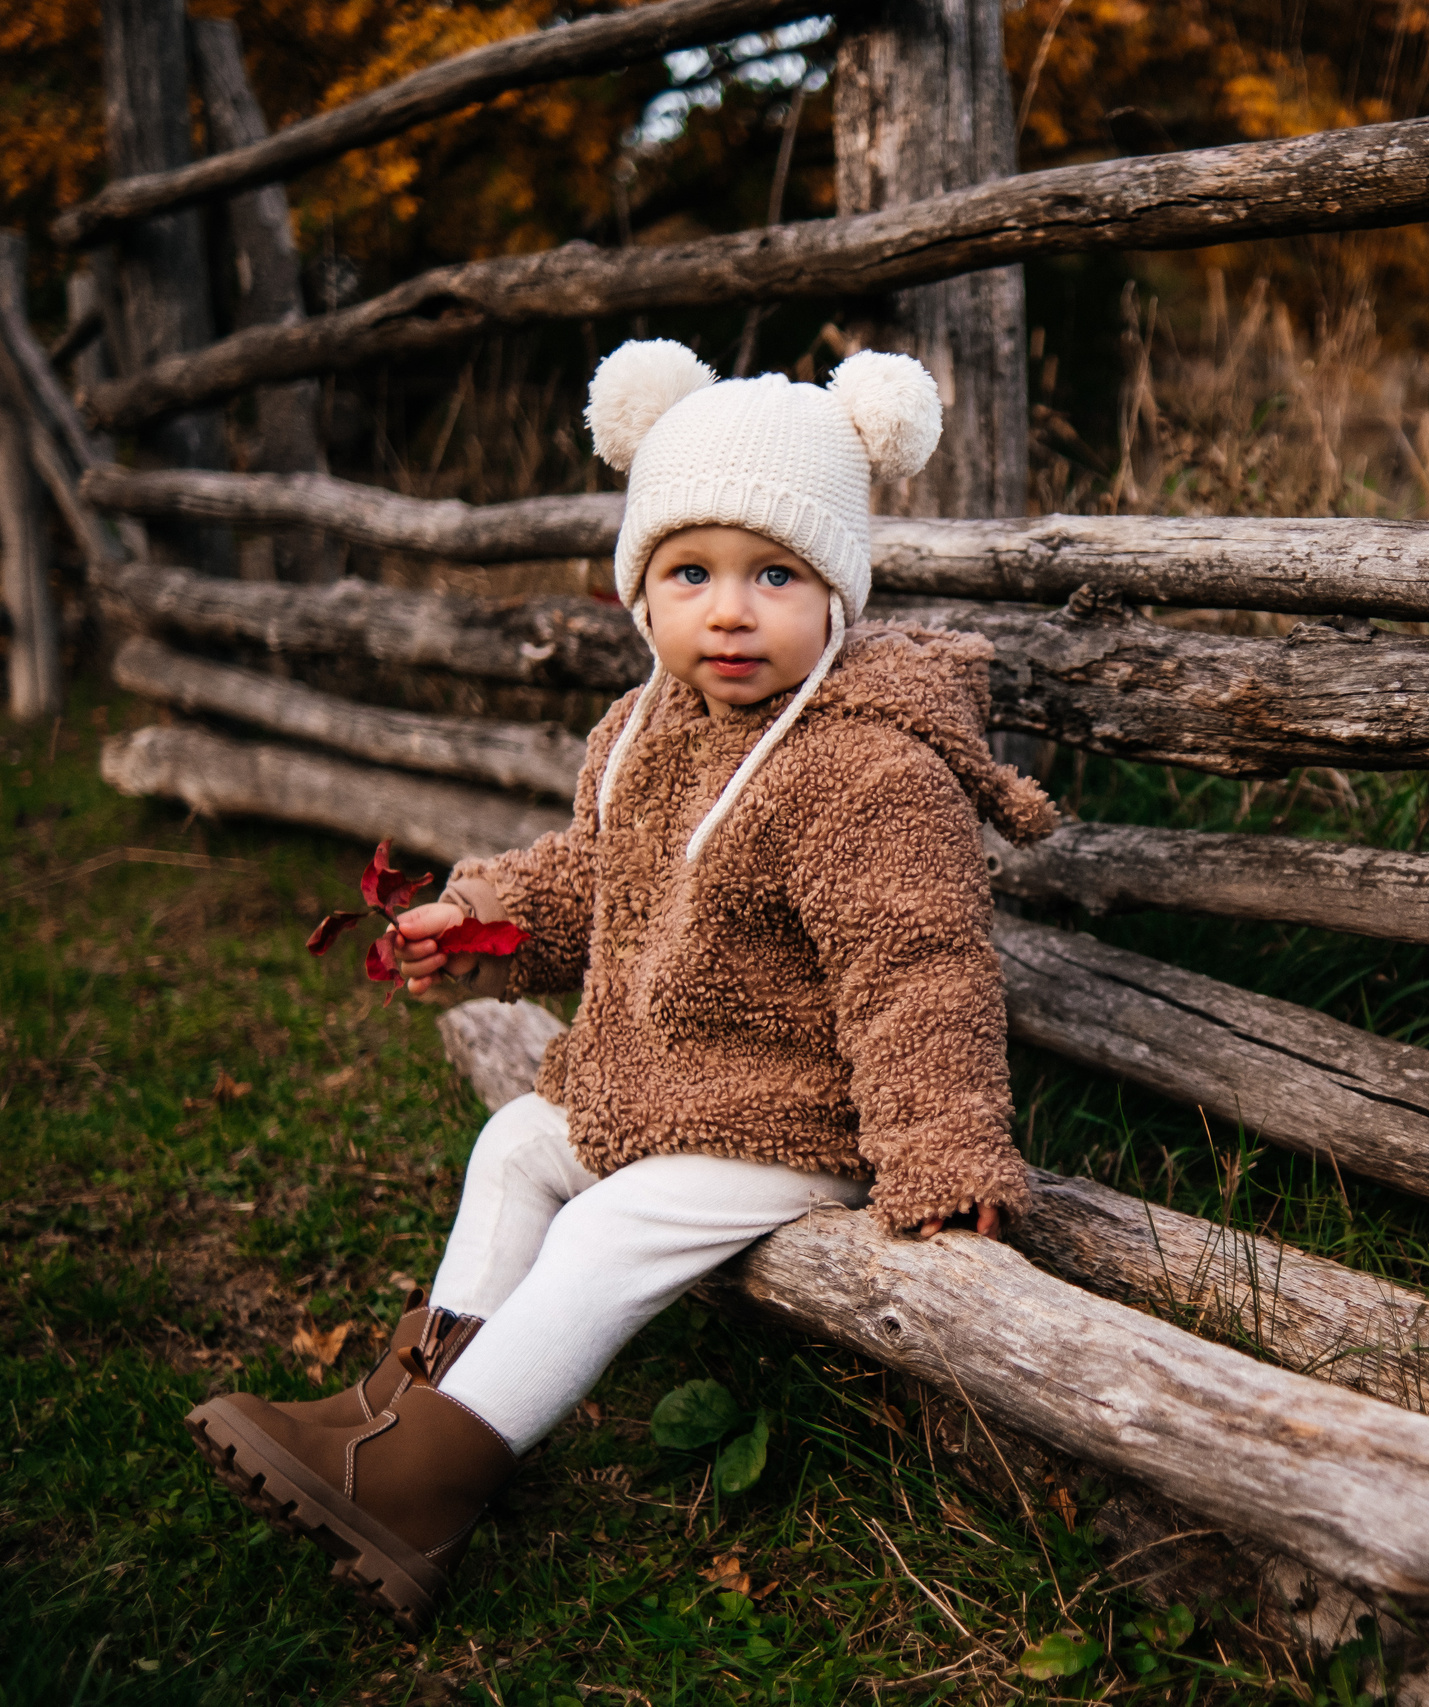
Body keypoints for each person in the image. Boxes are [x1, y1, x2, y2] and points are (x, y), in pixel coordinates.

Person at [182, 342, 1057, 1632]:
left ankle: (424, 1489)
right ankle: (410, 1406)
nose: (732, 611)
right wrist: (482, 918)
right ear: (642, 595)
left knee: (599, 1231)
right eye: (690, 574)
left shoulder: (869, 771)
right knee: (519, 1143)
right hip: (668, 1085)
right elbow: (595, 879)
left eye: (777, 575)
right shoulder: (642, 730)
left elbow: (919, 969)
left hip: (799, 1117)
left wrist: (941, 1151)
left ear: (839, 592)